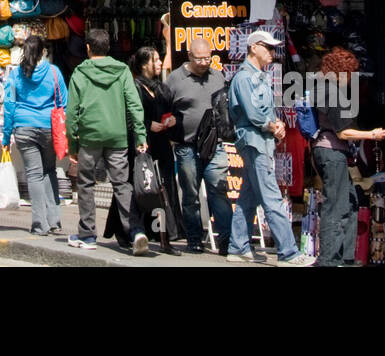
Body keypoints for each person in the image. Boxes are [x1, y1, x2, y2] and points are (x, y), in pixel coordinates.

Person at [227, 31, 316, 266]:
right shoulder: (245, 77)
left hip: (260, 140)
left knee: (248, 196)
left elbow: (264, 110)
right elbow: (254, 113)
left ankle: (237, 247)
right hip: (255, 142)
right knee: (272, 198)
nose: (272, 52)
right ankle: (288, 252)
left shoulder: (257, 76)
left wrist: (276, 124)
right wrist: (273, 126)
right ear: (254, 47)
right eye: (268, 47)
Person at [65, 29, 149, 254]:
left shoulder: (80, 73)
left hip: (89, 136)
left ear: (88, 48)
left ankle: (88, 234)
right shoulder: (122, 71)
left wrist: (72, 145)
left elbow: (71, 112)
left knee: (85, 184)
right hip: (117, 135)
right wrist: (140, 135)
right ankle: (136, 231)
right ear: (108, 48)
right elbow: (134, 104)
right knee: (122, 184)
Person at [312, 47, 385, 267]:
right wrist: (371, 134)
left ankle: (345, 257)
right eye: (350, 73)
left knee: (350, 202)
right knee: (335, 206)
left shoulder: (327, 89)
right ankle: (328, 259)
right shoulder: (329, 91)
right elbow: (343, 132)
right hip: (331, 152)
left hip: (334, 152)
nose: (352, 78)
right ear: (340, 72)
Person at [106, 46, 184, 252]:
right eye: (155, 60)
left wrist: (173, 119)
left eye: (159, 59)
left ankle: (163, 236)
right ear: (143, 65)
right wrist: (148, 124)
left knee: (163, 191)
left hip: (162, 146)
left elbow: (171, 109)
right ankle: (125, 229)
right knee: (140, 189)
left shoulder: (162, 88)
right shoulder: (134, 87)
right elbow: (128, 115)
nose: (159, 63)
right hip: (142, 147)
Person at [166, 37, 231, 254]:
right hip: (187, 146)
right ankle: (194, 238)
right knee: (191, 194)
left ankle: (226, 240)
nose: (204, 62)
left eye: (208, 58)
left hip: (215, 145)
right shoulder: (175, 79)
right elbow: (164, 108)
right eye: (200, 58)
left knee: (218, 190)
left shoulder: (217, 76)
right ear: (190, 56)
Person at [2, 33, 67, 236]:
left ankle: (40, 223)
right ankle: (54, 220)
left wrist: (5, 136)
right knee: (50, 171)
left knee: (34, 175)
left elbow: (9, 105)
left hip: (23, 128)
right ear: (44, 51)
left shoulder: (15, 75)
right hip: (49, 127)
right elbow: (63, 102)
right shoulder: (54, 72)